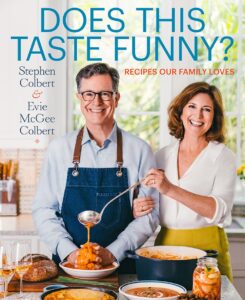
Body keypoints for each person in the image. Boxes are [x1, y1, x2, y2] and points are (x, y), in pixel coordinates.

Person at [32, 63, 159, 273]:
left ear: (116, 98)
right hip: (68, 268)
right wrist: (70, 253)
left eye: (105, 94)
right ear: (79, 98)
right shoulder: (58, 149)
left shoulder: (140, 150)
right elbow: (44, 209)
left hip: (121, 268)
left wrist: (113, 252)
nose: (96, 102)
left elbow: (150, 216)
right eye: (88, 94)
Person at [134, 82, 236, 280]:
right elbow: (151, 206)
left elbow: (219, 211)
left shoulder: (223, 156)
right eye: (192, 107)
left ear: (214, 117)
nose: (198, 116)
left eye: (206, 109)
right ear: (180, 112)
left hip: (208, 249)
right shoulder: (161, 156)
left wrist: (170, 189)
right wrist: (139, 208)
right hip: (166, 247)